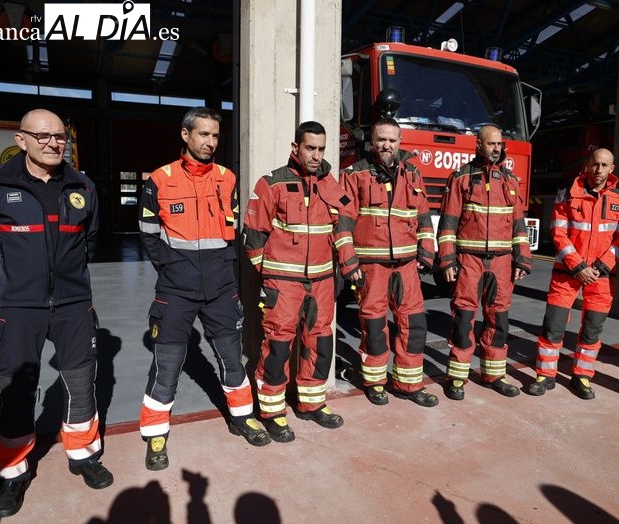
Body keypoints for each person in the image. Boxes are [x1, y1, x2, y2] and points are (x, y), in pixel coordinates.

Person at [0, 109, 113, 518]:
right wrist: (10, 282)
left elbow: (91, 243)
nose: (54, 143)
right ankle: (13, 473)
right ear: (21, 140)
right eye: (44, 136)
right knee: (17, 390)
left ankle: (83, 454)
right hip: (17, 309)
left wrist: (67, 284)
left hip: (72, 306)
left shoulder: (82, 186)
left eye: (61, 137)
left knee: (82, 382)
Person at [138, 107, 270, 470]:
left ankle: (242, 417)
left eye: (215, 135)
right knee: (166, 366)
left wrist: (222, 277)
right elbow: (148, 237)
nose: (210, 142)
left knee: (230, 358)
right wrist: (172, 270)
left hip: (220, 289)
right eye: (203, 135)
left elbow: (231, 236)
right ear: (185, 135)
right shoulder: (159, 180)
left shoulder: (228, 178)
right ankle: (155, 434)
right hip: (175, 292)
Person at [242, 121, 360, 442]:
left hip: (321, 281)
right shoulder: (272, 183)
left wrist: (347, 268)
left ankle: (311, 404)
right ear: (296, 147)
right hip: (283, 283)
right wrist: (269, 279)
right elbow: (253, 236)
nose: (316, 155)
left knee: (320, 343)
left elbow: (345, 225)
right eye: (310, 148)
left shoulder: (331, 184)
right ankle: (271, 412)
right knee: (278, 346)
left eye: (321, 149)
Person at [340, 118, 438, 407]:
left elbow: (423, 217)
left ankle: (409, 384)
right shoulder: (355, 174)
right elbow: (343, 223)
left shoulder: (412, 174)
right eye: (381, 139)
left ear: (400, 142)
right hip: (372, 265)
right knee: (373, 326)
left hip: (407, 265)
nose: (386, 145)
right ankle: (375, 381)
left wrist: (427, 253)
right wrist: (350, 264)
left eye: (392, 140)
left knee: (415, 324)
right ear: (372, 140)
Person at [527, 149, 619, 399]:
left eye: (604, 165)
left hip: (601, 276)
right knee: (553, 325)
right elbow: (558, 234)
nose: (598, 169)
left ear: (612, 168)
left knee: (592, 329)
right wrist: (578, 267)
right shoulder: (567, 193)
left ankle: (582, 376)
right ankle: (545, 375)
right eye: (595, 164)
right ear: (587, 165)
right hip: (568, 273)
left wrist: (600, 267)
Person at [437, 124, 532, 400]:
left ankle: (494, 374)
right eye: (491, 144)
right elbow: (448, 223)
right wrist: (447, 260)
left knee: (499, 319)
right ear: (477, 145)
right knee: (464, 317)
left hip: (502, 262)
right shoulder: (461, 178)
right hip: (469, 260)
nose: (496, 148)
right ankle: (456, 376)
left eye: (499, 144)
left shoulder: (510, 181)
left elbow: (518, 225)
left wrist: (522, 259)